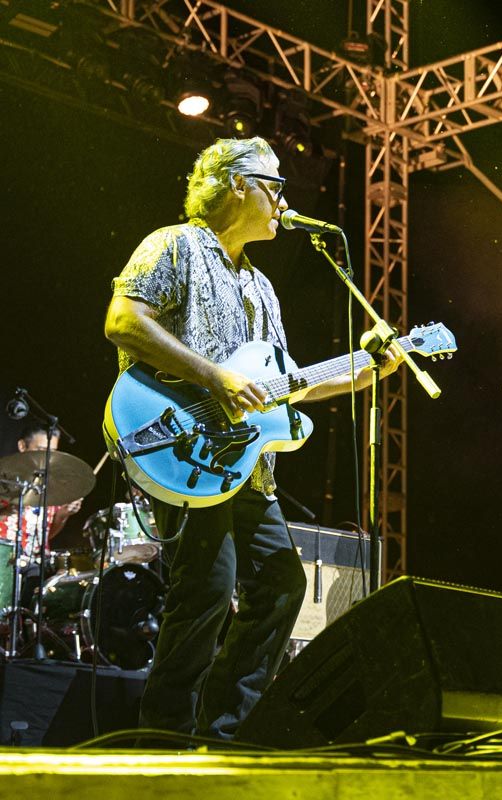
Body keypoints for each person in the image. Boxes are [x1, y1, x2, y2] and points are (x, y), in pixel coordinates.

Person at [103, 137, 403, 740]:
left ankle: (220, 736)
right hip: (180, 448)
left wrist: (366, 368)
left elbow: (282, 386)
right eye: (275, 185)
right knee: (206, 591)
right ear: (236, 183)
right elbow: (122, 320)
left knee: (280, 584)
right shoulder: (175, 246)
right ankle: (160, 744)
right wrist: (213, 376)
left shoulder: (262, 288)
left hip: (244, 467)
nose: (283, 201)